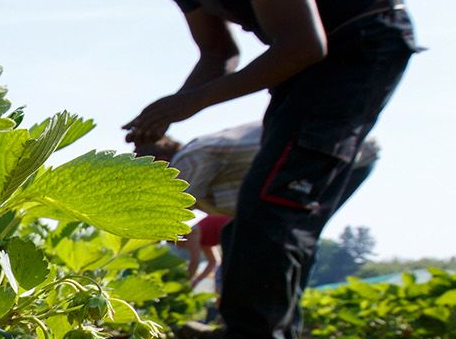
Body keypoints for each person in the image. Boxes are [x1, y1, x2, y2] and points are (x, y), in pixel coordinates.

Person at [116, 0, 420, 339]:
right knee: (266, 200)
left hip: (360, 44)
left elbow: (304, 43)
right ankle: (249, 337)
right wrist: (168, 106)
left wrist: (185, 107)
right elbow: (218, 55)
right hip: (307, 64)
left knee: (277, 198)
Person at [138, 122, 380, 296]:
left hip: (342, 155)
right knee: (252, 242)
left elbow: (169, 210)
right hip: (330, 152)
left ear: (160, 163)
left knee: (282, 243)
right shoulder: (197, 154)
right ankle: (245, 336)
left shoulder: (190, 158)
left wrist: (133, 242)